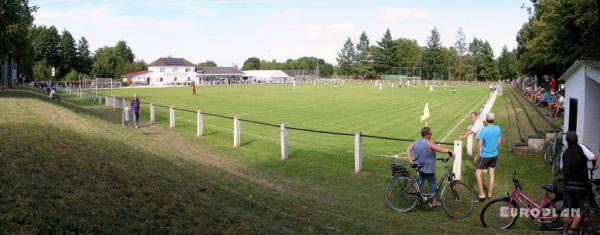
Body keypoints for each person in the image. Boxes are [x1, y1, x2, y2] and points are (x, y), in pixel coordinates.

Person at [560, 131, 597, 235]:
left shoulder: (564, 153)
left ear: (567, 141)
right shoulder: (581, 147)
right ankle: (572, 231)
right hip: (581, 184)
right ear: (576, 139)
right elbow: (594, 158)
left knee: (567, 210)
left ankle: (565, 231)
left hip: (568, 184)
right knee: (580, 210)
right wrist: (594, 167)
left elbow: (562, 168)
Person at [405, 127, 452, 207]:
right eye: (430, 134)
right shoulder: (428, 143)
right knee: (433, 185)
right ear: (427, 134)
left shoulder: (416, 141)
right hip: (428, 169)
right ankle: (432, 202)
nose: (431, 135)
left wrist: (410, 160)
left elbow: (408, 149)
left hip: (419, 168)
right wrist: (450, 151)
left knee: (419, 185)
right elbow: (440, 149)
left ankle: (419, 200)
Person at [475, 112, 501, 202]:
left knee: (478, 173)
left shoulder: (484, 130)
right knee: (492, 174)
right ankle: (490, 193)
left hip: (486, 155)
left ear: (486, 120)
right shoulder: (498, 128)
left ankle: (482, 194)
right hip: (495, 155)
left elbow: (479, 145)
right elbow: (499, 141)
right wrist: (494, 148)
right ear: (493, 119)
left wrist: (477, 155)